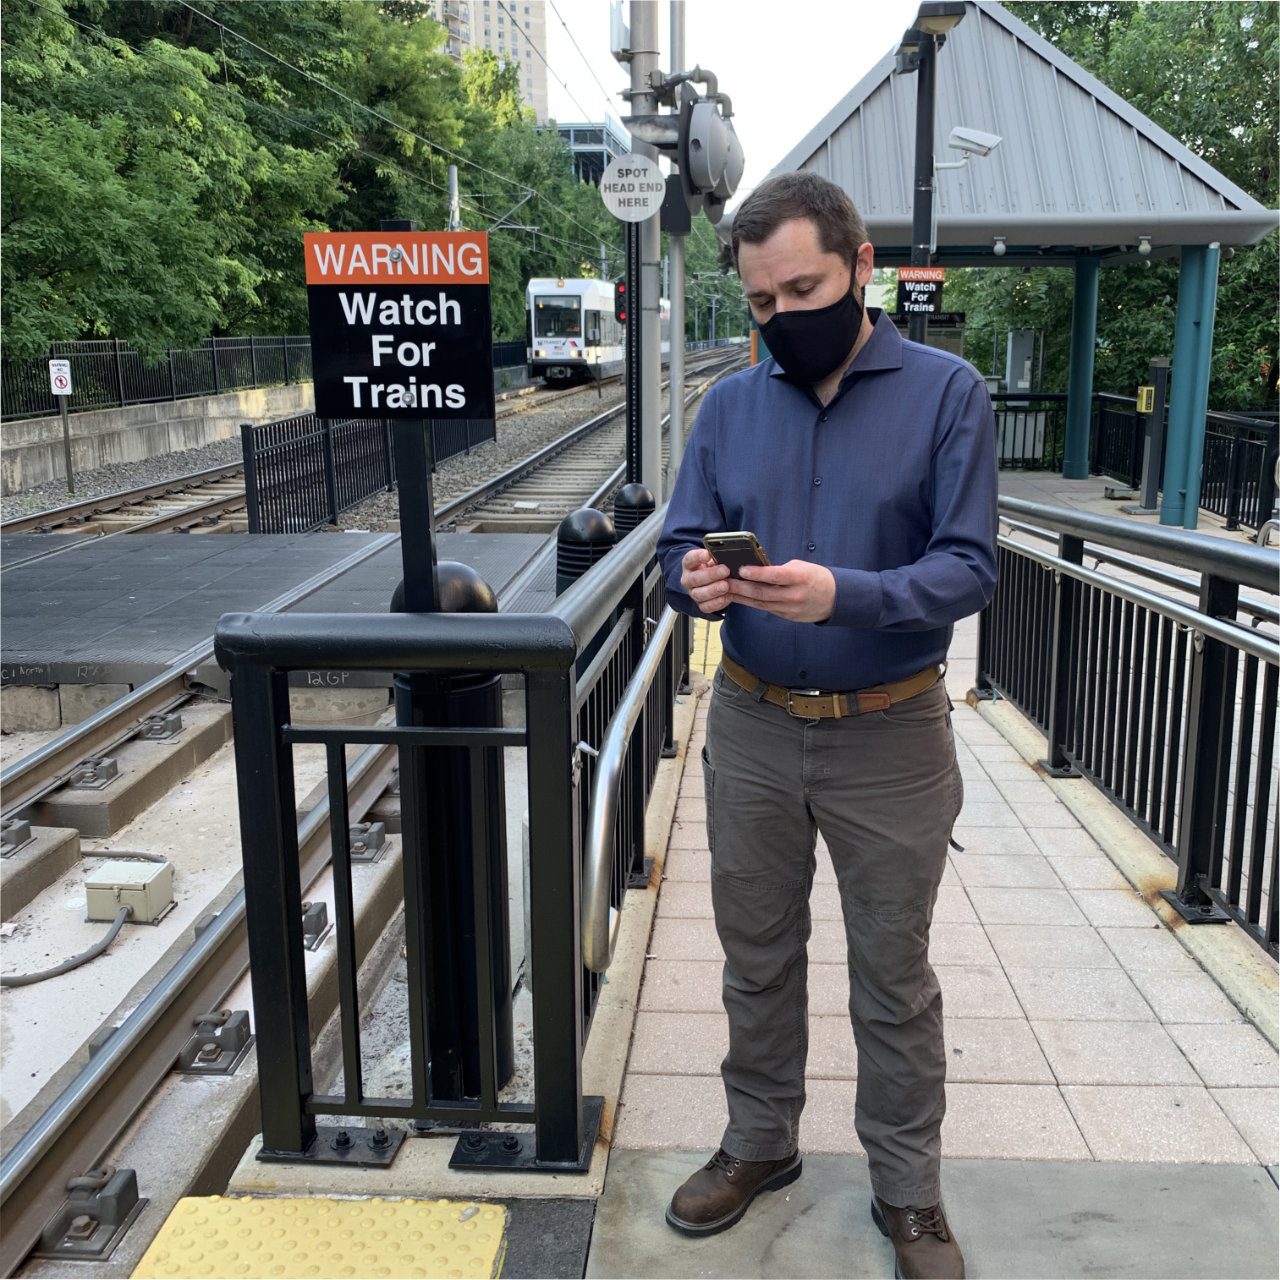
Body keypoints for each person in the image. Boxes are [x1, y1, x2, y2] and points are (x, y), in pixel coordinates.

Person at [656, 171, 998, 1280]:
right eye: (760, 303)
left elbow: (968, 564)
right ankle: (759, 1141)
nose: (780, 319)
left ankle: (906, 1187)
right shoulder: (728, 406)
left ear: (859, 266)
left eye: (800, 288)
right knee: (755, 958)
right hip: (752, 721)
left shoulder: (947, 393)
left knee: (890, 974)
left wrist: (842, 594)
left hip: (890, 731)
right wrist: (694, 580)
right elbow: (674, 544)